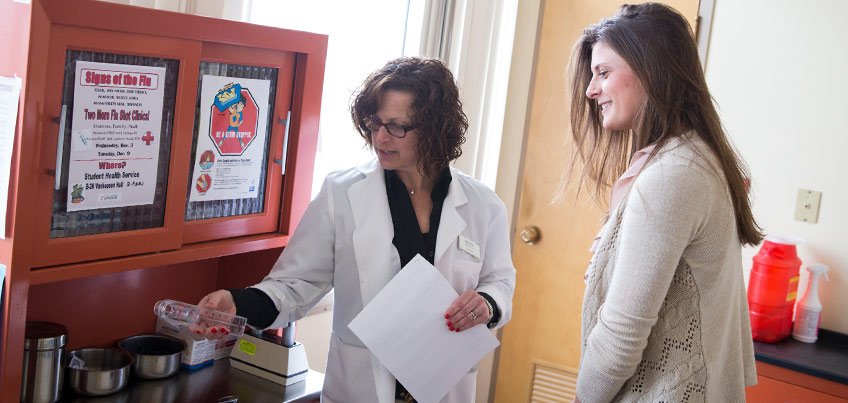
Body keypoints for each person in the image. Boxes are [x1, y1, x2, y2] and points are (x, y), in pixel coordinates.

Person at [198, 57, 516, 403]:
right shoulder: (342, 192)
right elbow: (297, 285)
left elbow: (499, 283)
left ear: (435, 129)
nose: (379, 137)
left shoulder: (484, 206)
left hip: (444, 387)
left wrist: (487, 304)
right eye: (374, 123)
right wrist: (238, 302)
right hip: (361, 388)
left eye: (397, 127)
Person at [565, 3, 763, 402]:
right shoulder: (690, 157)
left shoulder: (674, 174)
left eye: (603, 72)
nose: (591, 90)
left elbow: (621, 335)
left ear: (650, 70)